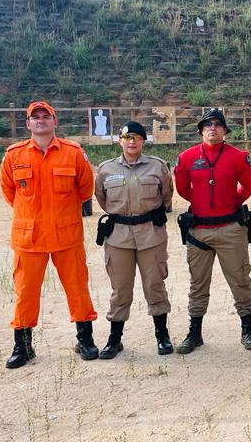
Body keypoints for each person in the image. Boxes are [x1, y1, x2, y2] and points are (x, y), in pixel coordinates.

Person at [0, 100, 98, 369]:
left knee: (77, 288)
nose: (41, 120)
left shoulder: (73, 153)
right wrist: (30, 213)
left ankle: (85, 340)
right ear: (28, 123)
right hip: (29, 238)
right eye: (36, 117)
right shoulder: (14, 155)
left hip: (66, 235)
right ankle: (23, 346)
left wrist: (60, 213)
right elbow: (10, 191)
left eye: (46, 116)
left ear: (55, 122)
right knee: (25, 293)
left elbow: (85, 189)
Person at [173, 109, 251, 354]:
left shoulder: (238, 156)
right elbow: (183, 189)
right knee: (198, 284)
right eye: (207, 125)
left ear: (224, 130)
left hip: (230, 228)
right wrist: (202, 204)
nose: (212, 128)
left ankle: (247, 329)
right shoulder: (187, 157)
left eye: (218, 125)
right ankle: (195, 332)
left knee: (240, 279)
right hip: (199, 230)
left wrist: (230, 203)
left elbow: (248, 186)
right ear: (201, 130)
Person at [93, 121, 174, 358]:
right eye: (127, 137)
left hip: (151, 234)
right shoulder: (106, 169)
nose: (132, 142)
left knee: (155, 285)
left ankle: (162, 336)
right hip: (118, 237)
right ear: (120, 140)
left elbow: (166, 195)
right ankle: (114, 340)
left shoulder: (158, 167)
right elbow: (102, 197)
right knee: (120, 289)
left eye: (137, 137)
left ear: (143, 141)